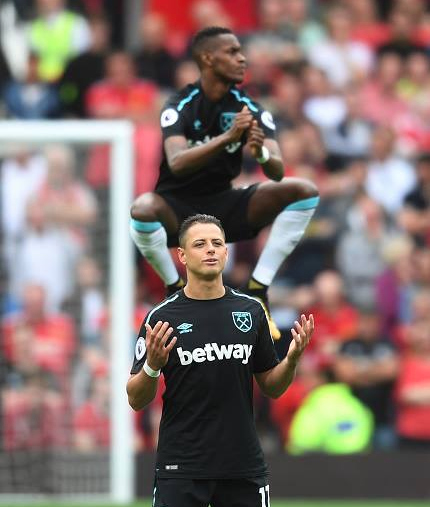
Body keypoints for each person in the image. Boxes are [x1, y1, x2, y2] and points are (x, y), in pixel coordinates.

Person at [110, 214, 314, 507]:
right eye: (200, 244)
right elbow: (135, 397)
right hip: (184, 457)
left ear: (226, 252)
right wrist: (153, 366)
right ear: (182, 256)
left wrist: (292, 358)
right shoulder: (162, 317)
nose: (210, 250)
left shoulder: (250, 311)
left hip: (240, 457)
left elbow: (272, 385)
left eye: (217, 243)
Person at [130, 26, 319, 340]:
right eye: (232, 52)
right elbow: (177, 162)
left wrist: (259, 151)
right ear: (207, 58)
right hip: (178, 210)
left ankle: (259, 287)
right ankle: (174, 288)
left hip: (223, 205)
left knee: (304, 192)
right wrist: (228, 138)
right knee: (142, 208)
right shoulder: (180, 105)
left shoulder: (251, 108)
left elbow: (275, 170)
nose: (242, 58)